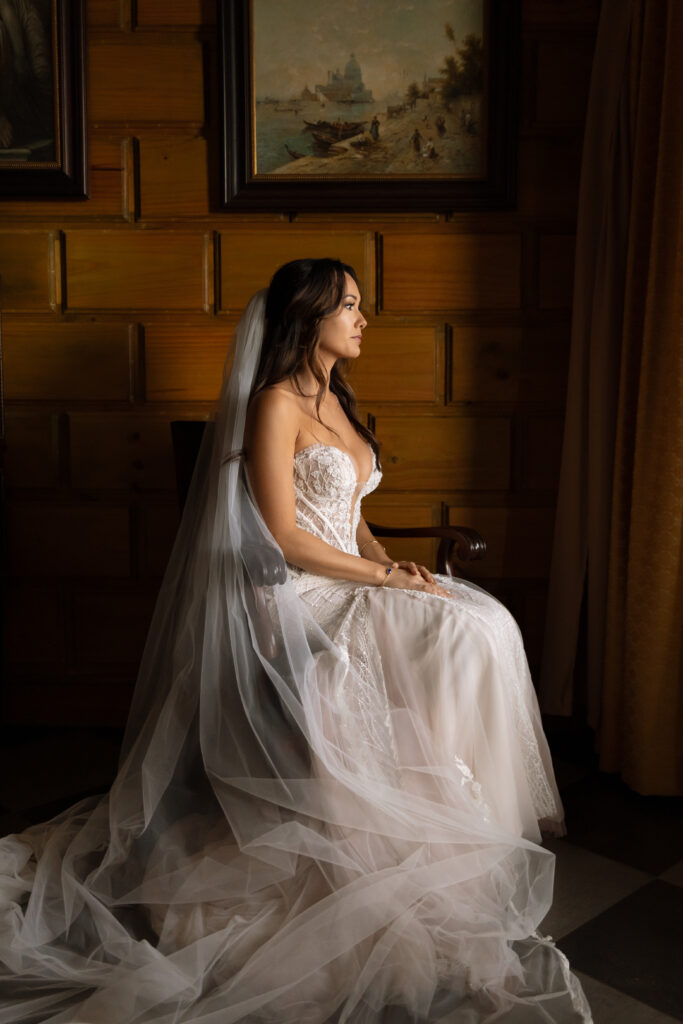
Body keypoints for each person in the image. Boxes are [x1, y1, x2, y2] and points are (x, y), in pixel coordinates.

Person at [0, 258, 592, 1023]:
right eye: (348, 306)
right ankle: (412, 826)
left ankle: (461, 823)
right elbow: (282, 536)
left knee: (483, 619)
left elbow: (352, 519)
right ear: (308, 319)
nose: (362, 319)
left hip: (349, 570)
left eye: (359, 306)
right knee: (455, 637)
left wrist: (392, 565)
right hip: (299, 589)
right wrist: (376, 585)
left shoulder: (338, 401)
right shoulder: (273, 404)